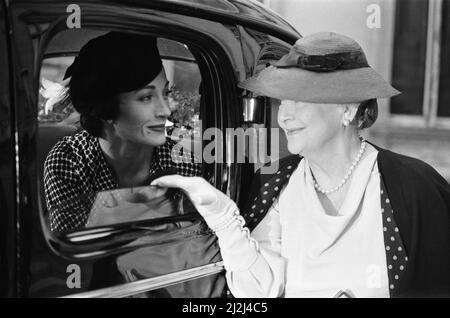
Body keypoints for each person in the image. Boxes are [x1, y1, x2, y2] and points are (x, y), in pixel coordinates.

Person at [151, 32, 450, 298]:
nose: (284, 116)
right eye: (283, 101)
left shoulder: (416, 191)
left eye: (300, 100)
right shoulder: (275, 186)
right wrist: (222, 214)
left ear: (347, 109)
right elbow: (258, 292)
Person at [44, 32, 201, 232]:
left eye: (165, 93)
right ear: (105, 108)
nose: (166, 111)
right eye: (146, 97)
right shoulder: (69, 161)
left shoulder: (183, 162)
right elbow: (74, 248)